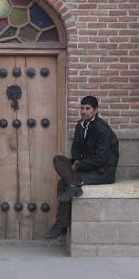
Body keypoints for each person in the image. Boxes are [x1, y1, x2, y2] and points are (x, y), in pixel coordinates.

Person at [44, 95, 119, 240]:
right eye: (82, 108)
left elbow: (101, 159)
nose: (84, 111)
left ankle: (61, 225)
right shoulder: (81, 125)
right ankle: (73, 183)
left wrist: (78, 166)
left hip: (102, 172)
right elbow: (76, 148)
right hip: (86, 167)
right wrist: (76, 160)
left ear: (96, 110)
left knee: (63, 183)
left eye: (88, 109)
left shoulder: (102, 130)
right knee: (58, 160)